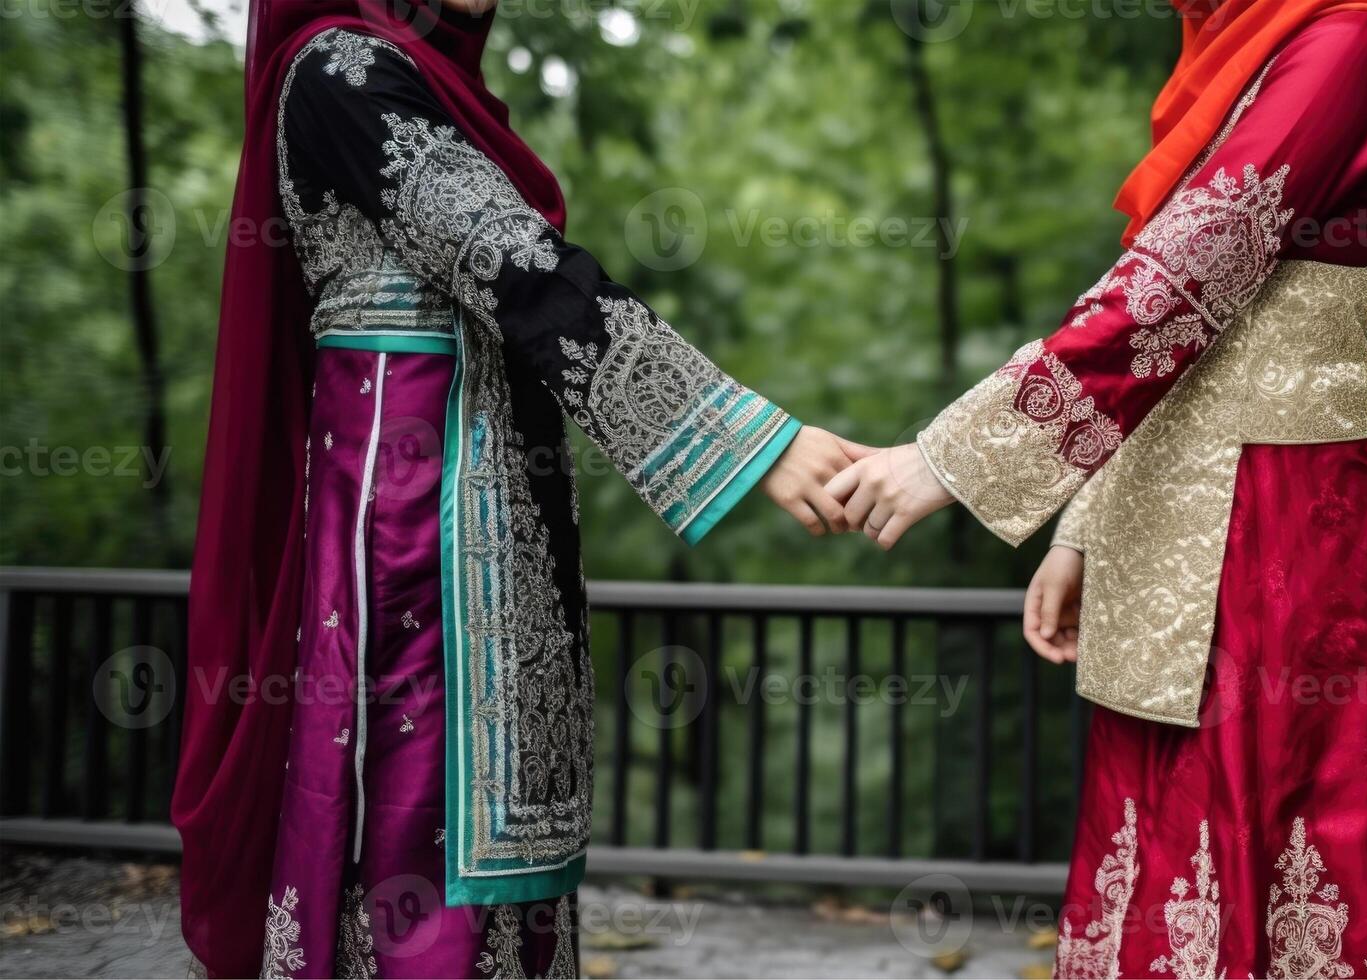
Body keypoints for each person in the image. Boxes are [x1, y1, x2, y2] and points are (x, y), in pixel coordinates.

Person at [171, 0, 864, 975]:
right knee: (417, 818)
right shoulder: (340, 70)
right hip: (412, 521)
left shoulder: (430, 86)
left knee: (512, 825)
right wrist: (744, 438)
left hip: (496, 504)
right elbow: (512, 261)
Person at [828, 1, 1367, 975]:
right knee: (1161, 866)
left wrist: (951, 456)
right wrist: (1084, 523)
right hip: (1160, 526)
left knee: (1281, 865)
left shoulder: (1348, 43)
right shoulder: (1235, 63)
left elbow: (1177, 280)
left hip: (1274, 533)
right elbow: (1171, 332)